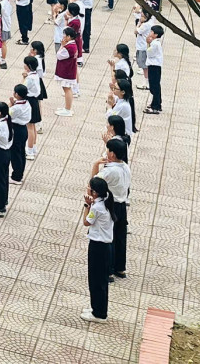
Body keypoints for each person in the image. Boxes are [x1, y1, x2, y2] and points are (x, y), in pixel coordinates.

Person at [93, 137, 131, 281]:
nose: (106, 152)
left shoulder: (110, 171)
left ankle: (108, 270)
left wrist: (96, 165)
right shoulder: (125, 167)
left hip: (111, 206)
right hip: (122, 205)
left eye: (108, 150)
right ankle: (119, 268)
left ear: (113, 154)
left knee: (108, 237)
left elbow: (94, 183)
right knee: (120, 237)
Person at [81, 175, 115, 323]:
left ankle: (99, 313)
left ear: (94, 192)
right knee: (100, 280)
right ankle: (97, 308)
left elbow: (86, 222)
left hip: (98, 246)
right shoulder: (106, 200)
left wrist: (87, 206)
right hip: (105, 246)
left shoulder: (97, 207)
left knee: (96, 280)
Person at [145, 24, 165, 112]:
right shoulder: (155, 43)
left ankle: (156, 106)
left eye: (152, 32)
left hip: (154, 66)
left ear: (156, 34)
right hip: (154, 66)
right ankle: (156, 102)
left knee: (154, 86)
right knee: (155, 85)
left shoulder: (155, 44)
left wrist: (148, 44)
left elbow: (149, 53)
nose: (150, 33)